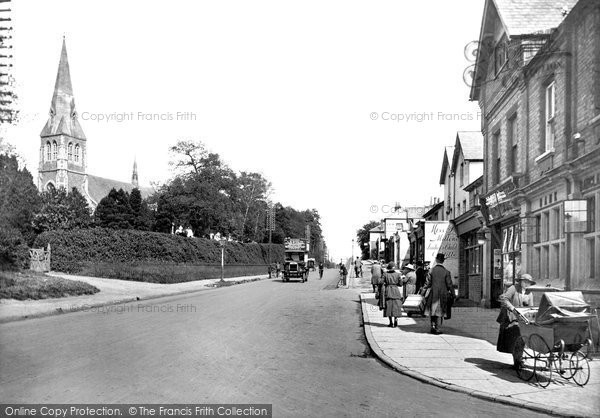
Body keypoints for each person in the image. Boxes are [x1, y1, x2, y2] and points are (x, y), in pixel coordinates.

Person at [497, 273, 536, 368]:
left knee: (522, 337)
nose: (527, 284)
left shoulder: (529, 293)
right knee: (516, 336)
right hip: (511, 317)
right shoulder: (513, 288)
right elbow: (503, 298)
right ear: (521, 281)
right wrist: (513, 308)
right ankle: (517, 360)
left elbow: (531, 307)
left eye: (529, 283)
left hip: (522, 318)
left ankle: (518, 359)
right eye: (525, 282)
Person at [423, 253, 453, 334]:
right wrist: (453, 294)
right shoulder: (446, 272)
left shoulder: (431, 270)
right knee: (440, 311)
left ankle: (432, 326)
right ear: (443, 261)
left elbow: (427, 284)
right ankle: (437, 328)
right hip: (443, 294)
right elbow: (449, 284)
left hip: (433, 293)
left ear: (436, 260)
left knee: (433, 310)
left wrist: (422, 293)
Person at [382, 262, 406, 328]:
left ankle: (390, 322)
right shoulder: (398, 274)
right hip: (395, 291)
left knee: (388, 306)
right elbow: (401, 284)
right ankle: (395, 319)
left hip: (388, 290)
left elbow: (381, 281)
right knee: (396, 306)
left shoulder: (385, 274)